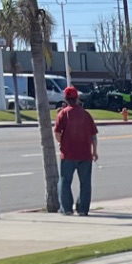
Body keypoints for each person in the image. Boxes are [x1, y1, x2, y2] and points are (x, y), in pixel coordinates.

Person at [54, 85, 99, 216]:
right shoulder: (86, 114)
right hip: (85, 154)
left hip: (68, 154)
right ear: (77, 97)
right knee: (85, 183)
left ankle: (67, 208)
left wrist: (60, 143)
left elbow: (57, 132)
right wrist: (94, 152)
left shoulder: (63, 113)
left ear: (66, 98)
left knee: (64, 182)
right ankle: (83, 209)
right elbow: (93, 136)